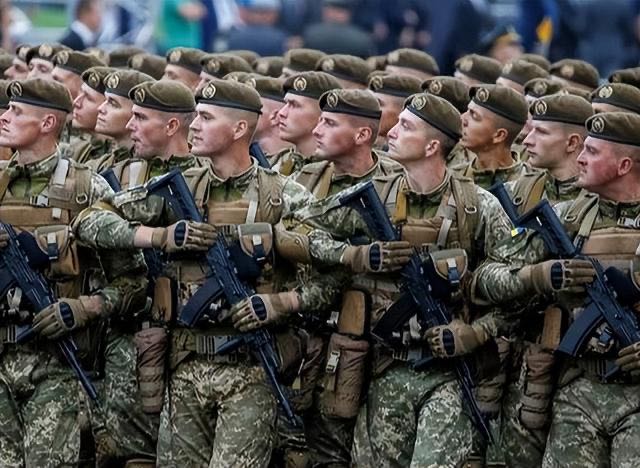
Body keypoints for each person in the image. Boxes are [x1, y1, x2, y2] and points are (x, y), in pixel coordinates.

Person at [285, 92, 516, 467]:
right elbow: (297, 230)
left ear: (432, 146)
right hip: (384, 369)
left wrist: (477, 332)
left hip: (449, 375)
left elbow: (520, 293)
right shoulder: (373, 197)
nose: (391, 132)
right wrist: (355, 255)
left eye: (406, 127)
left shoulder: (478, 206)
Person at [477, 111, 640, 468]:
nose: (580, 158)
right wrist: (539, 275)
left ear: (625, 165)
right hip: (578, 391)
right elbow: (485, 278)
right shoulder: (567, 218)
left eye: (593, 152)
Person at [0, 78, 146, 467]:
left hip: (57, 365)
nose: (4, 117)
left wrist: (84, 308)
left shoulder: (87, 189)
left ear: (48, 123)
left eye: (17, 111)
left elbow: (135, 283)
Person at [497, 93, 593, 468]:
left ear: (572, 142)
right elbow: (490, 270)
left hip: (581, 361)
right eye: (529, 128)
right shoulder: (519, 191)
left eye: (541, 131)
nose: (526, 138)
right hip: (523, 352)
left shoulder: (599, 197)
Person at [271, 71, 341, 175]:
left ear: (323, 115)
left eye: (294, 105)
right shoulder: (277, 162)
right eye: (286, 103)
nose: (282, 113)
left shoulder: (336, 173)